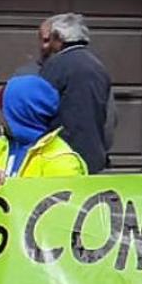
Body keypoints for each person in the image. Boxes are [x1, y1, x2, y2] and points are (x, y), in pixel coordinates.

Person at [0, 75, 87, 188]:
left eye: (5, 110)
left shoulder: (62, 159)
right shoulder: (0, 146)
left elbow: (65, 208)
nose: (0, 116)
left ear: (19, 115)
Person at [37, 12, 115, 173]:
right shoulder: (98, 66)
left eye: (50, 38)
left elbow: (39, 110)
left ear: (58, 38)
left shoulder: (55, 66)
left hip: (61, 156)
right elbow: (110, 116)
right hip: (94, 156)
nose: (46, 45)